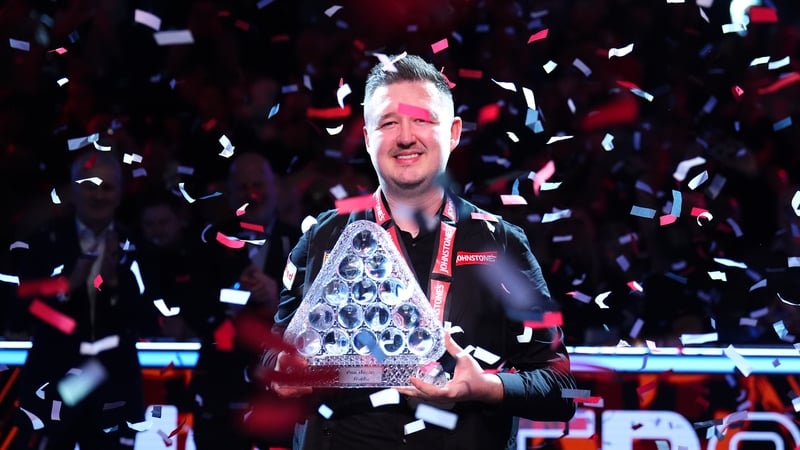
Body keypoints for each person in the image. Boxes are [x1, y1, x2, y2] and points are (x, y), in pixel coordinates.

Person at [263, 54, 577, 450]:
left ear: (453, 132)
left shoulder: (500, 243)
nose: (406, 137)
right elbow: (270, 354)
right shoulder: (324, 236)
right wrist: (280, 371)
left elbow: (562, 389)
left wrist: (486, 387)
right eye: (389, 122)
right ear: (366, 137)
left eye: (422, 120)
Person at [12, 151, 155, 449]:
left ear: (119, 194)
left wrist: (115, 285)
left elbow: (148, 318)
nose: (99, 195)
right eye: (90, 185)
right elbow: (21, 307)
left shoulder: (138, 245)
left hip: (114, 387)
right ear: (73, 191)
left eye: (108, 187)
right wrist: (67, 285)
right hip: (52, 383)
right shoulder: (42, 240)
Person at [187, 151, 301, 449]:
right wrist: (238, 293)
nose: (253, 194)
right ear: (230, 192)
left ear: (274, 186)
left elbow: (317, 308)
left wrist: (277, 295)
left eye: (259, 185)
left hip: (278, 385)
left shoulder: (304, 240)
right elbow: (191, 305)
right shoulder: (208, 243)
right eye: (243, 187)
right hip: (221, 384)